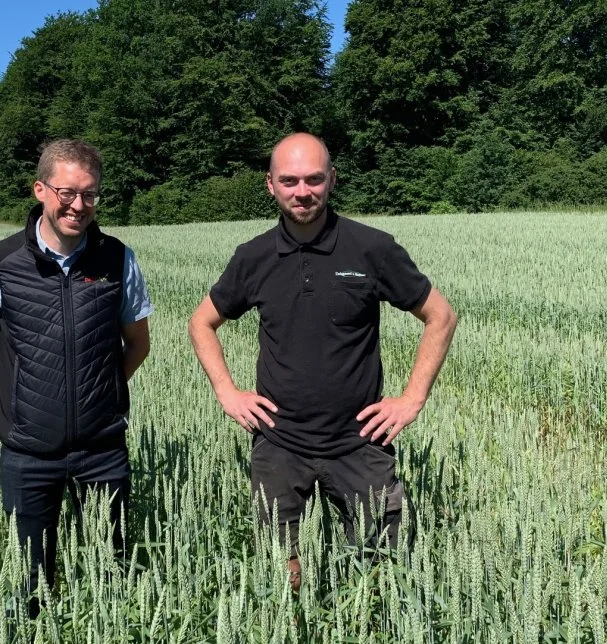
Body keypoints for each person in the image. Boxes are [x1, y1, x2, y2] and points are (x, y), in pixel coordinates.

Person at [188, 132, 456, 590]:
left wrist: (412, 399)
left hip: (360, 443)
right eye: (289, 180)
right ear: (270, 184)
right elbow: (201, 323)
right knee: (283, 571)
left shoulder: (372, 249)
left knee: (382, 575)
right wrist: (227, 393)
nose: (303, 191)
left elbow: (440, 316)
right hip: (279, 445)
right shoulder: (252, 258)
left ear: (332, 179)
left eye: (314, 179)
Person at [0, 139, 153, 614]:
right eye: (68, 193)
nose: (79, 205)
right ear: (41, 190)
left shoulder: (117, 259)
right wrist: (16, 398)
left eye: (90, 194)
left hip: (102, 451)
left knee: (115, 575)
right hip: (28, 454)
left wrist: (105, 393)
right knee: (26, 581)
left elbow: (139, 342)